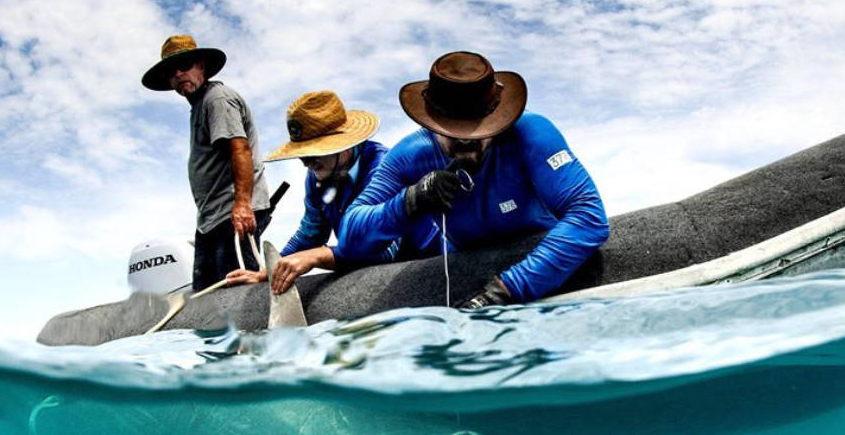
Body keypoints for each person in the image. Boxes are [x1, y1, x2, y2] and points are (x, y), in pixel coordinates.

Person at [338, 51, 609, 308]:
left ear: (496, 116)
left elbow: (589, 218)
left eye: (477, 127)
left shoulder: (531, 133)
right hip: (468, 270)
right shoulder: (408, 156)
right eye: (454, 131)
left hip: (539, 269)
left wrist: (506, 291)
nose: (466, 139)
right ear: (430, 122)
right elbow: (351, 236)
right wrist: (410, 201)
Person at [224, 91, 433, 294]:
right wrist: (267, 271)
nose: (305, 163)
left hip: (421, 273)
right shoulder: (318, 175)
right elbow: (310, 233)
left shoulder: (385, 168)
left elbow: (386, 251)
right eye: (302, 154)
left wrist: (317, 256)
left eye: (314, 151)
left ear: (344, 144)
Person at [142, 35, 272, 291]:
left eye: (186, 65)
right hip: (209, 221)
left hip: (232, 216)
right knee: (206, 296)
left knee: (239, 296)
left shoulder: (217, 99)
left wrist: (243, 205)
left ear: (201, 67)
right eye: (172, 71)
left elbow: (240, 149)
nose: (179, 74)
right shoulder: (200, 105)